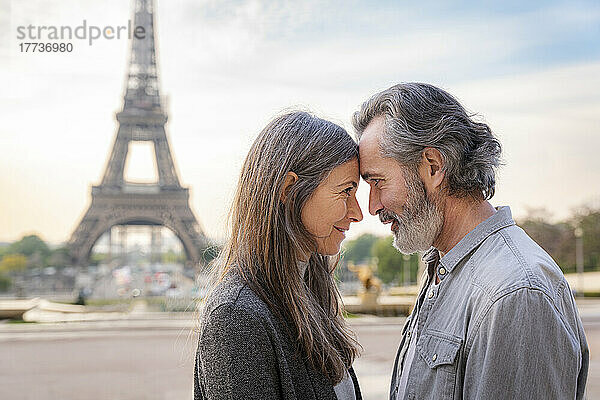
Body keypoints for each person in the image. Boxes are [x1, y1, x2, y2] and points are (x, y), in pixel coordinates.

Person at [353, 83, 589, 399]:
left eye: (377, 181)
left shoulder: (515, 292)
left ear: (433, 167)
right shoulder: (444, 267)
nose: (372, 206)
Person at [194, 111, 364, 400]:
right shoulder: (236, 317)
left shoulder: (309, 296)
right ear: (289, 189)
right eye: (346, 191)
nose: (357, 213)